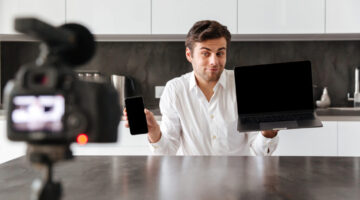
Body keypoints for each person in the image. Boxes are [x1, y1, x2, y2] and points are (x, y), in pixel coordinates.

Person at [123, 20, 279, 155]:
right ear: (189, 55)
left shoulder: (245, 86)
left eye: (220, 53)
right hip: (191, 182)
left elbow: (258, 152)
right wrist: (154, 132)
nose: (214, 61)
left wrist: (268, 132)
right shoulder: (175, 90)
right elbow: (167, 151)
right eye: (206, 53)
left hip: (237, 182)